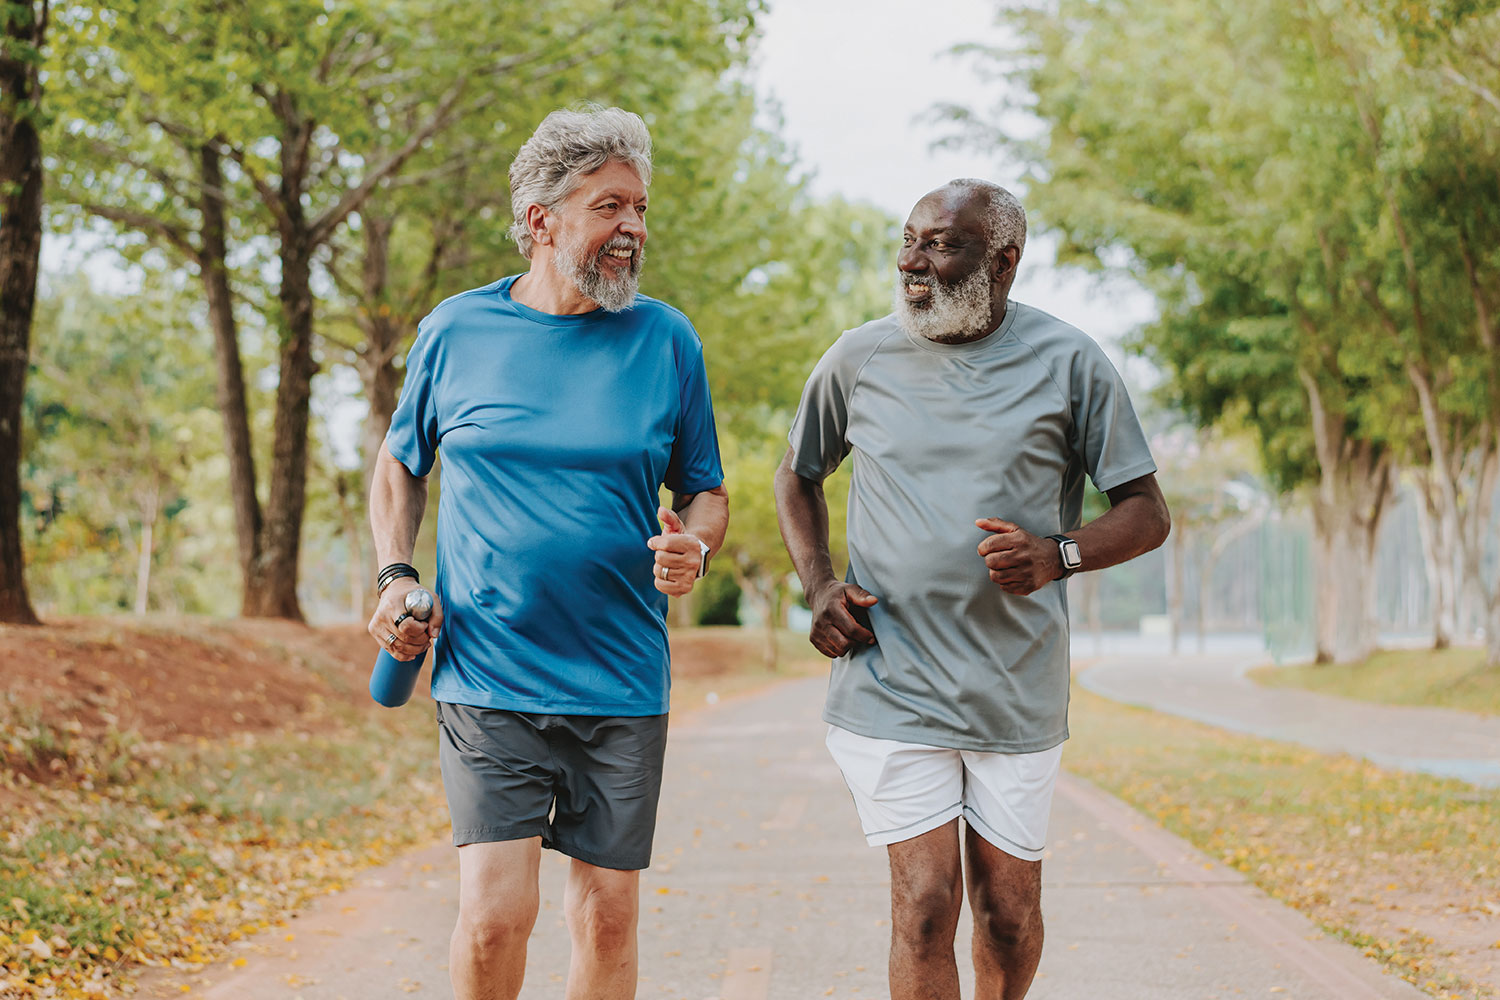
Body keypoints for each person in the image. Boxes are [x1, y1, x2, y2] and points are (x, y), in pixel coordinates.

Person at [774, 178, 1170, 1000]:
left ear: (1005, 261)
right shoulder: (860, 356)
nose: (911, 261)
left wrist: (1060, 553)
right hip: (892, 678)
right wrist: (818, 586)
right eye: (909, 239)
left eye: (940, 244)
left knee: (1007, 918)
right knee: (924, 908)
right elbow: (796, 477)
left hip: (1013, 687)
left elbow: (1146, 512)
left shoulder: (1070, 362)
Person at [367, 105, 729, 1000]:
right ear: (542, 221)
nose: (633, 230)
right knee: (495, 919)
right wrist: (396, 573)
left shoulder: (667, 340)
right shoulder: (456, 332)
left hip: (621, 676)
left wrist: (698, 549)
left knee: (606, 917)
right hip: (491, 671)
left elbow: (705, 491)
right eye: (610, 208)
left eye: (640, 210)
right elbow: (399, 463)